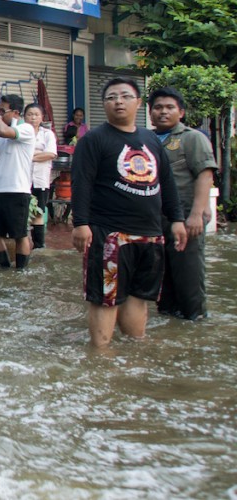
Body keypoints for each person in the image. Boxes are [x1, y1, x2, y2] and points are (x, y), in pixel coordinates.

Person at [71, 77, 187, 348]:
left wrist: (177, 220)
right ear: (104, 105)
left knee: (139, 296)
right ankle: (100, 358)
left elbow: (166, 182)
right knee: (105, 297)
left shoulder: (150, 139)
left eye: (125, 96)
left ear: (138, 103)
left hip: (150, 233)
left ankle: (135, 355)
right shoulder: (94, 140)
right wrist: (81, 223)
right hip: (109, 233)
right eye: (111, 97)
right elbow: (81, 183)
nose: (118, 101)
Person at [148, 87, 218, 320]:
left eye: (170, 108)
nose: (163, 112)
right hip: (156, 218)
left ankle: (195, 321)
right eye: (158, 108)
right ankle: (169, 318)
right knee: (162, 276)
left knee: (188, 274)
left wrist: (197, 213)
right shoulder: (146, 139)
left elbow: (205, 174)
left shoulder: (192, 138)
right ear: (150, 112)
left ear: (181, 112)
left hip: (186, 215)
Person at [0, 94, 36, 269]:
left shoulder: (26, 129)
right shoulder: (1, 136)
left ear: (15, 113)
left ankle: (21, 271)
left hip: (17, 190)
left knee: (19, 235)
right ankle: (4, 268)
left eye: (2, 110)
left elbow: (3, 131)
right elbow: (2, 133)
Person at [25, 103, 58, 249]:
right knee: (23, 212)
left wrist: (29, 155)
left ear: (41, 117)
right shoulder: (20, 133)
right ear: (24, 116)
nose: (33, 117)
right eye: (30, 114)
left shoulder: (47, 134)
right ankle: (23, 244)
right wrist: (40, 153)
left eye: (36, 114)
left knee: (38, 212)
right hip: (23, 180)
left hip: (40, 179)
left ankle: (39, 246)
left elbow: (51, 154)